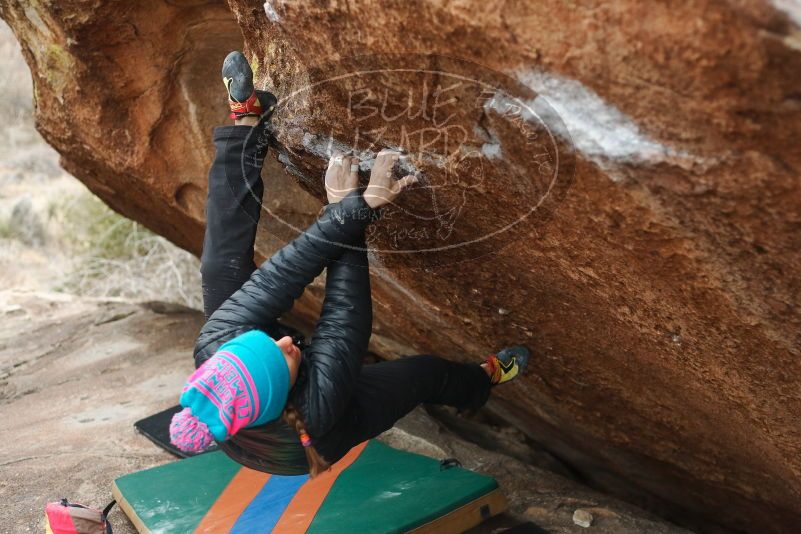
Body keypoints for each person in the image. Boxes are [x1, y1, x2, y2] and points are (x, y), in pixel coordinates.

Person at [169, 51, 531, 477]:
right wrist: (356, 209)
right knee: (423, 374)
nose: (288, 341)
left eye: (268, 342)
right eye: (282, 354)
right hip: (311, 439)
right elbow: (343, 320)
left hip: (257, 391)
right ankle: (482, 382)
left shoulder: (217, 346)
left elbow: (279, 277)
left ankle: (246, 123)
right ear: (283, 389)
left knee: (220, 266)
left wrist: (341, 212)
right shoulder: (319, 409)